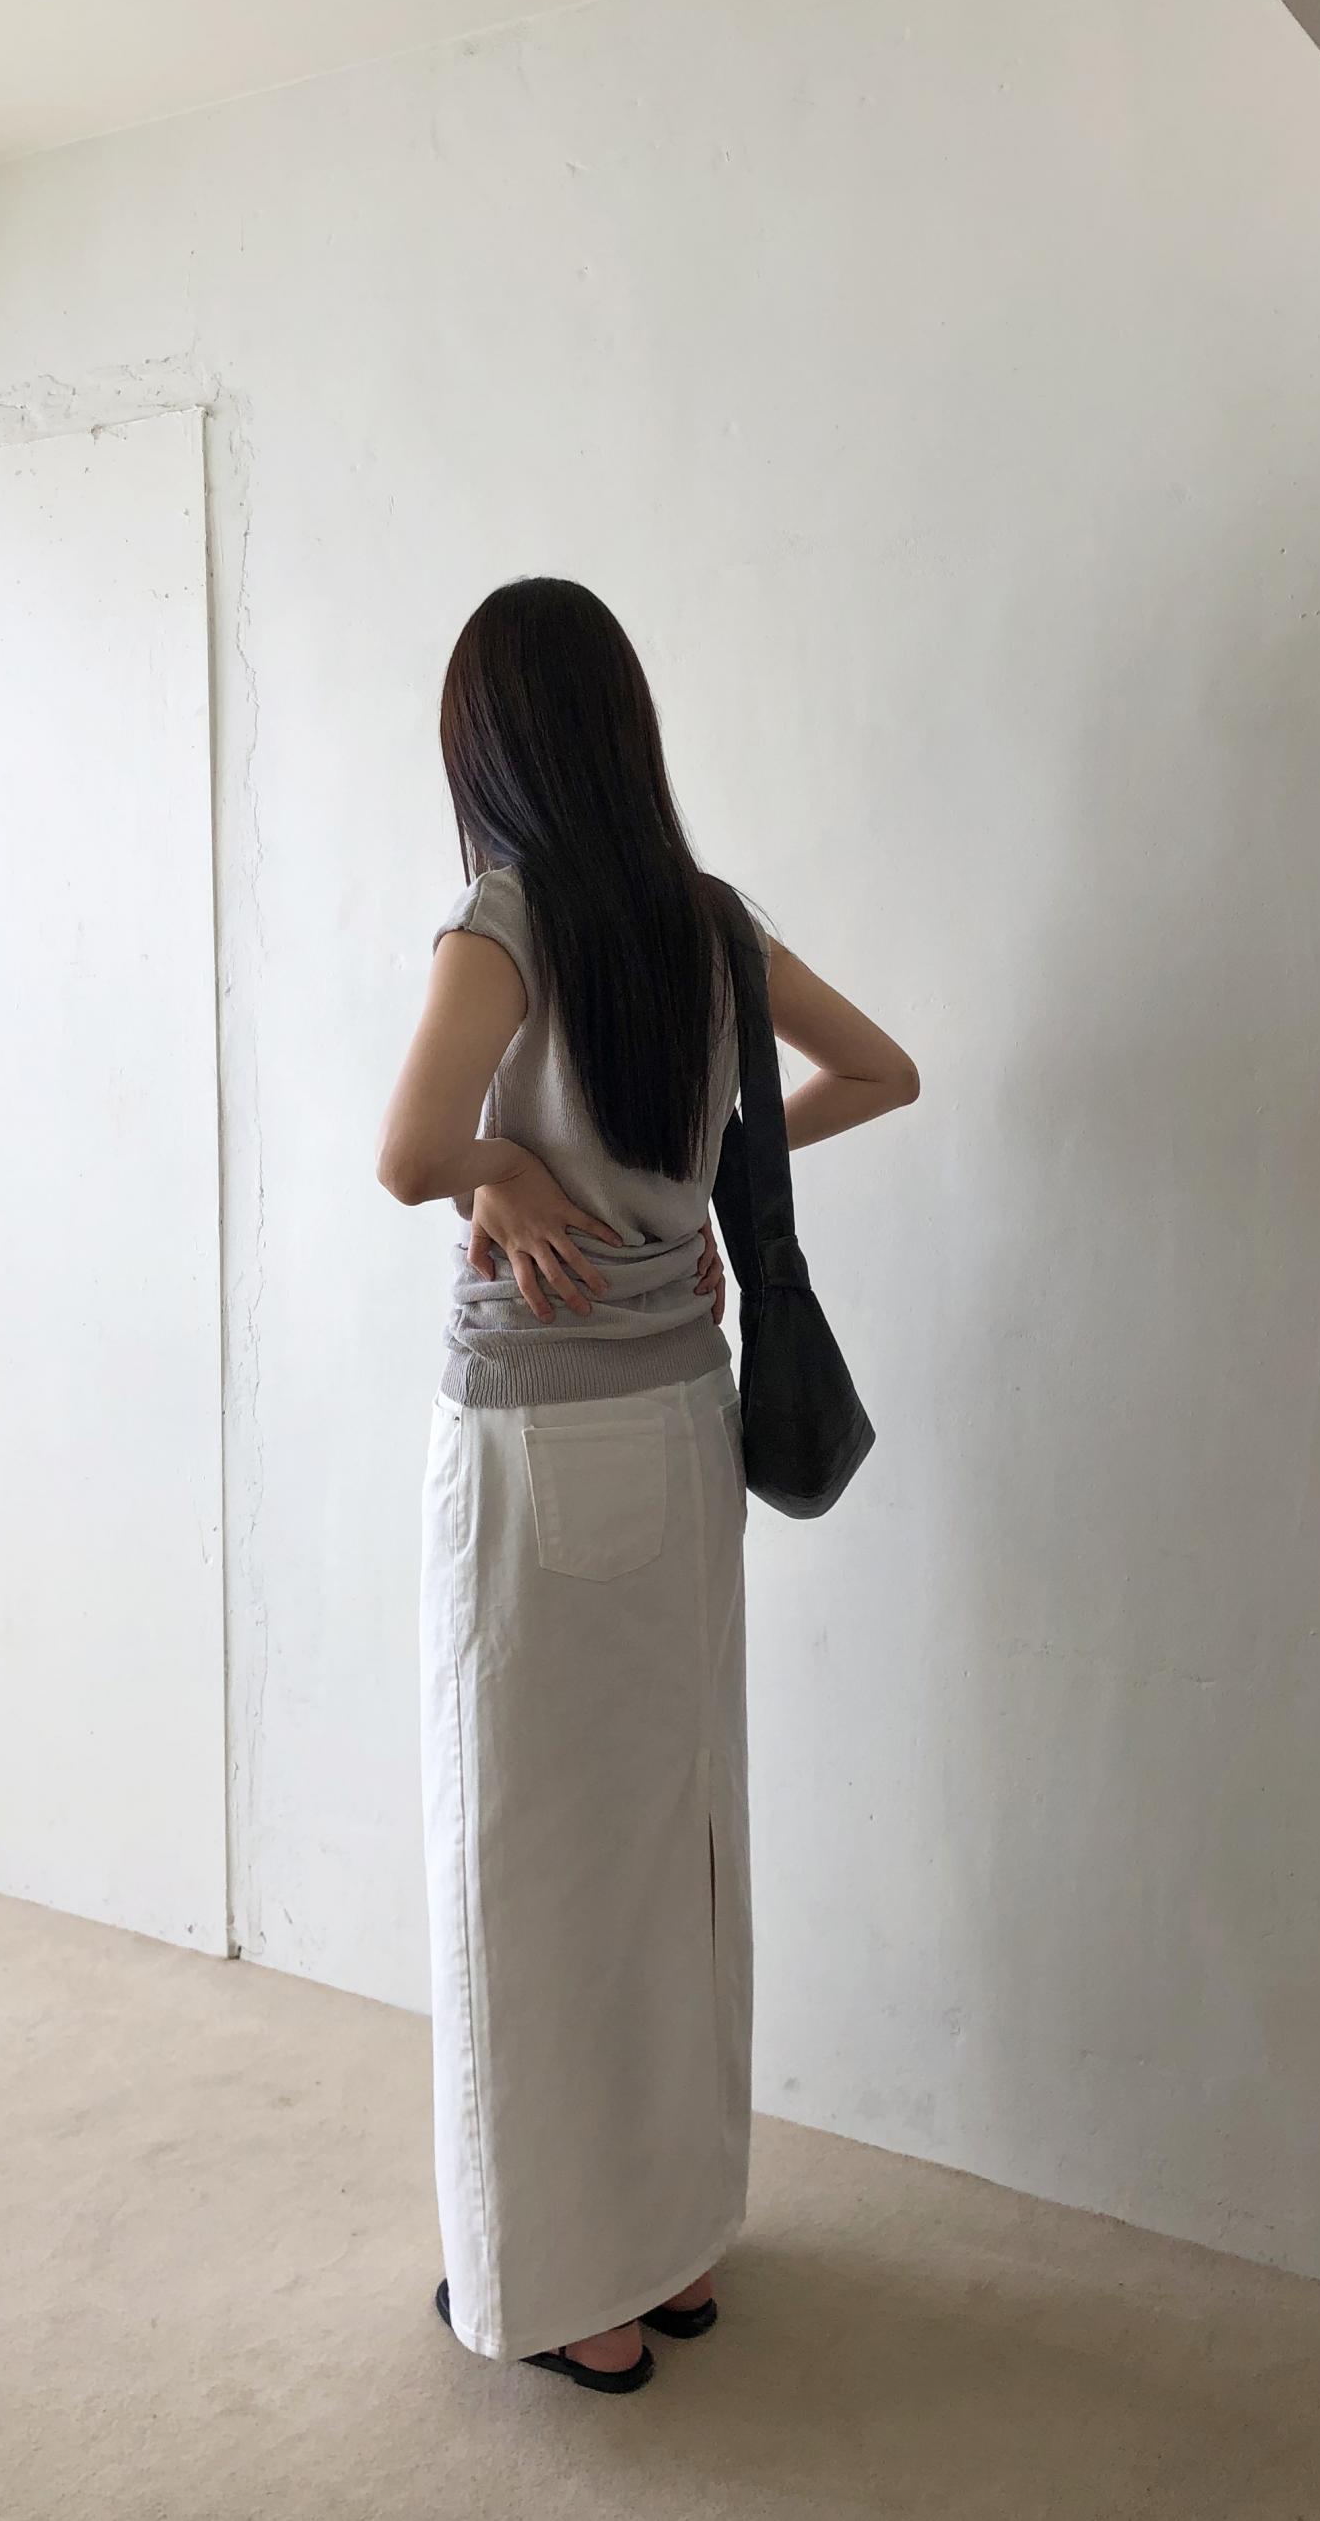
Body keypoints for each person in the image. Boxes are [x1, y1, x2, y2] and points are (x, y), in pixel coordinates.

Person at [376, 577, 919, 2393]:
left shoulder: (506, 921)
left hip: (536, 1440)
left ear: (493, 749)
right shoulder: (707, 922)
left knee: (524, 1862)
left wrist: (499, 1176)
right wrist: (702, 1190)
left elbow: (404, 1150)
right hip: (688, 1420)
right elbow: (881, 1072)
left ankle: (565, 2295)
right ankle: (674, 2256)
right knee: (673, 1840)